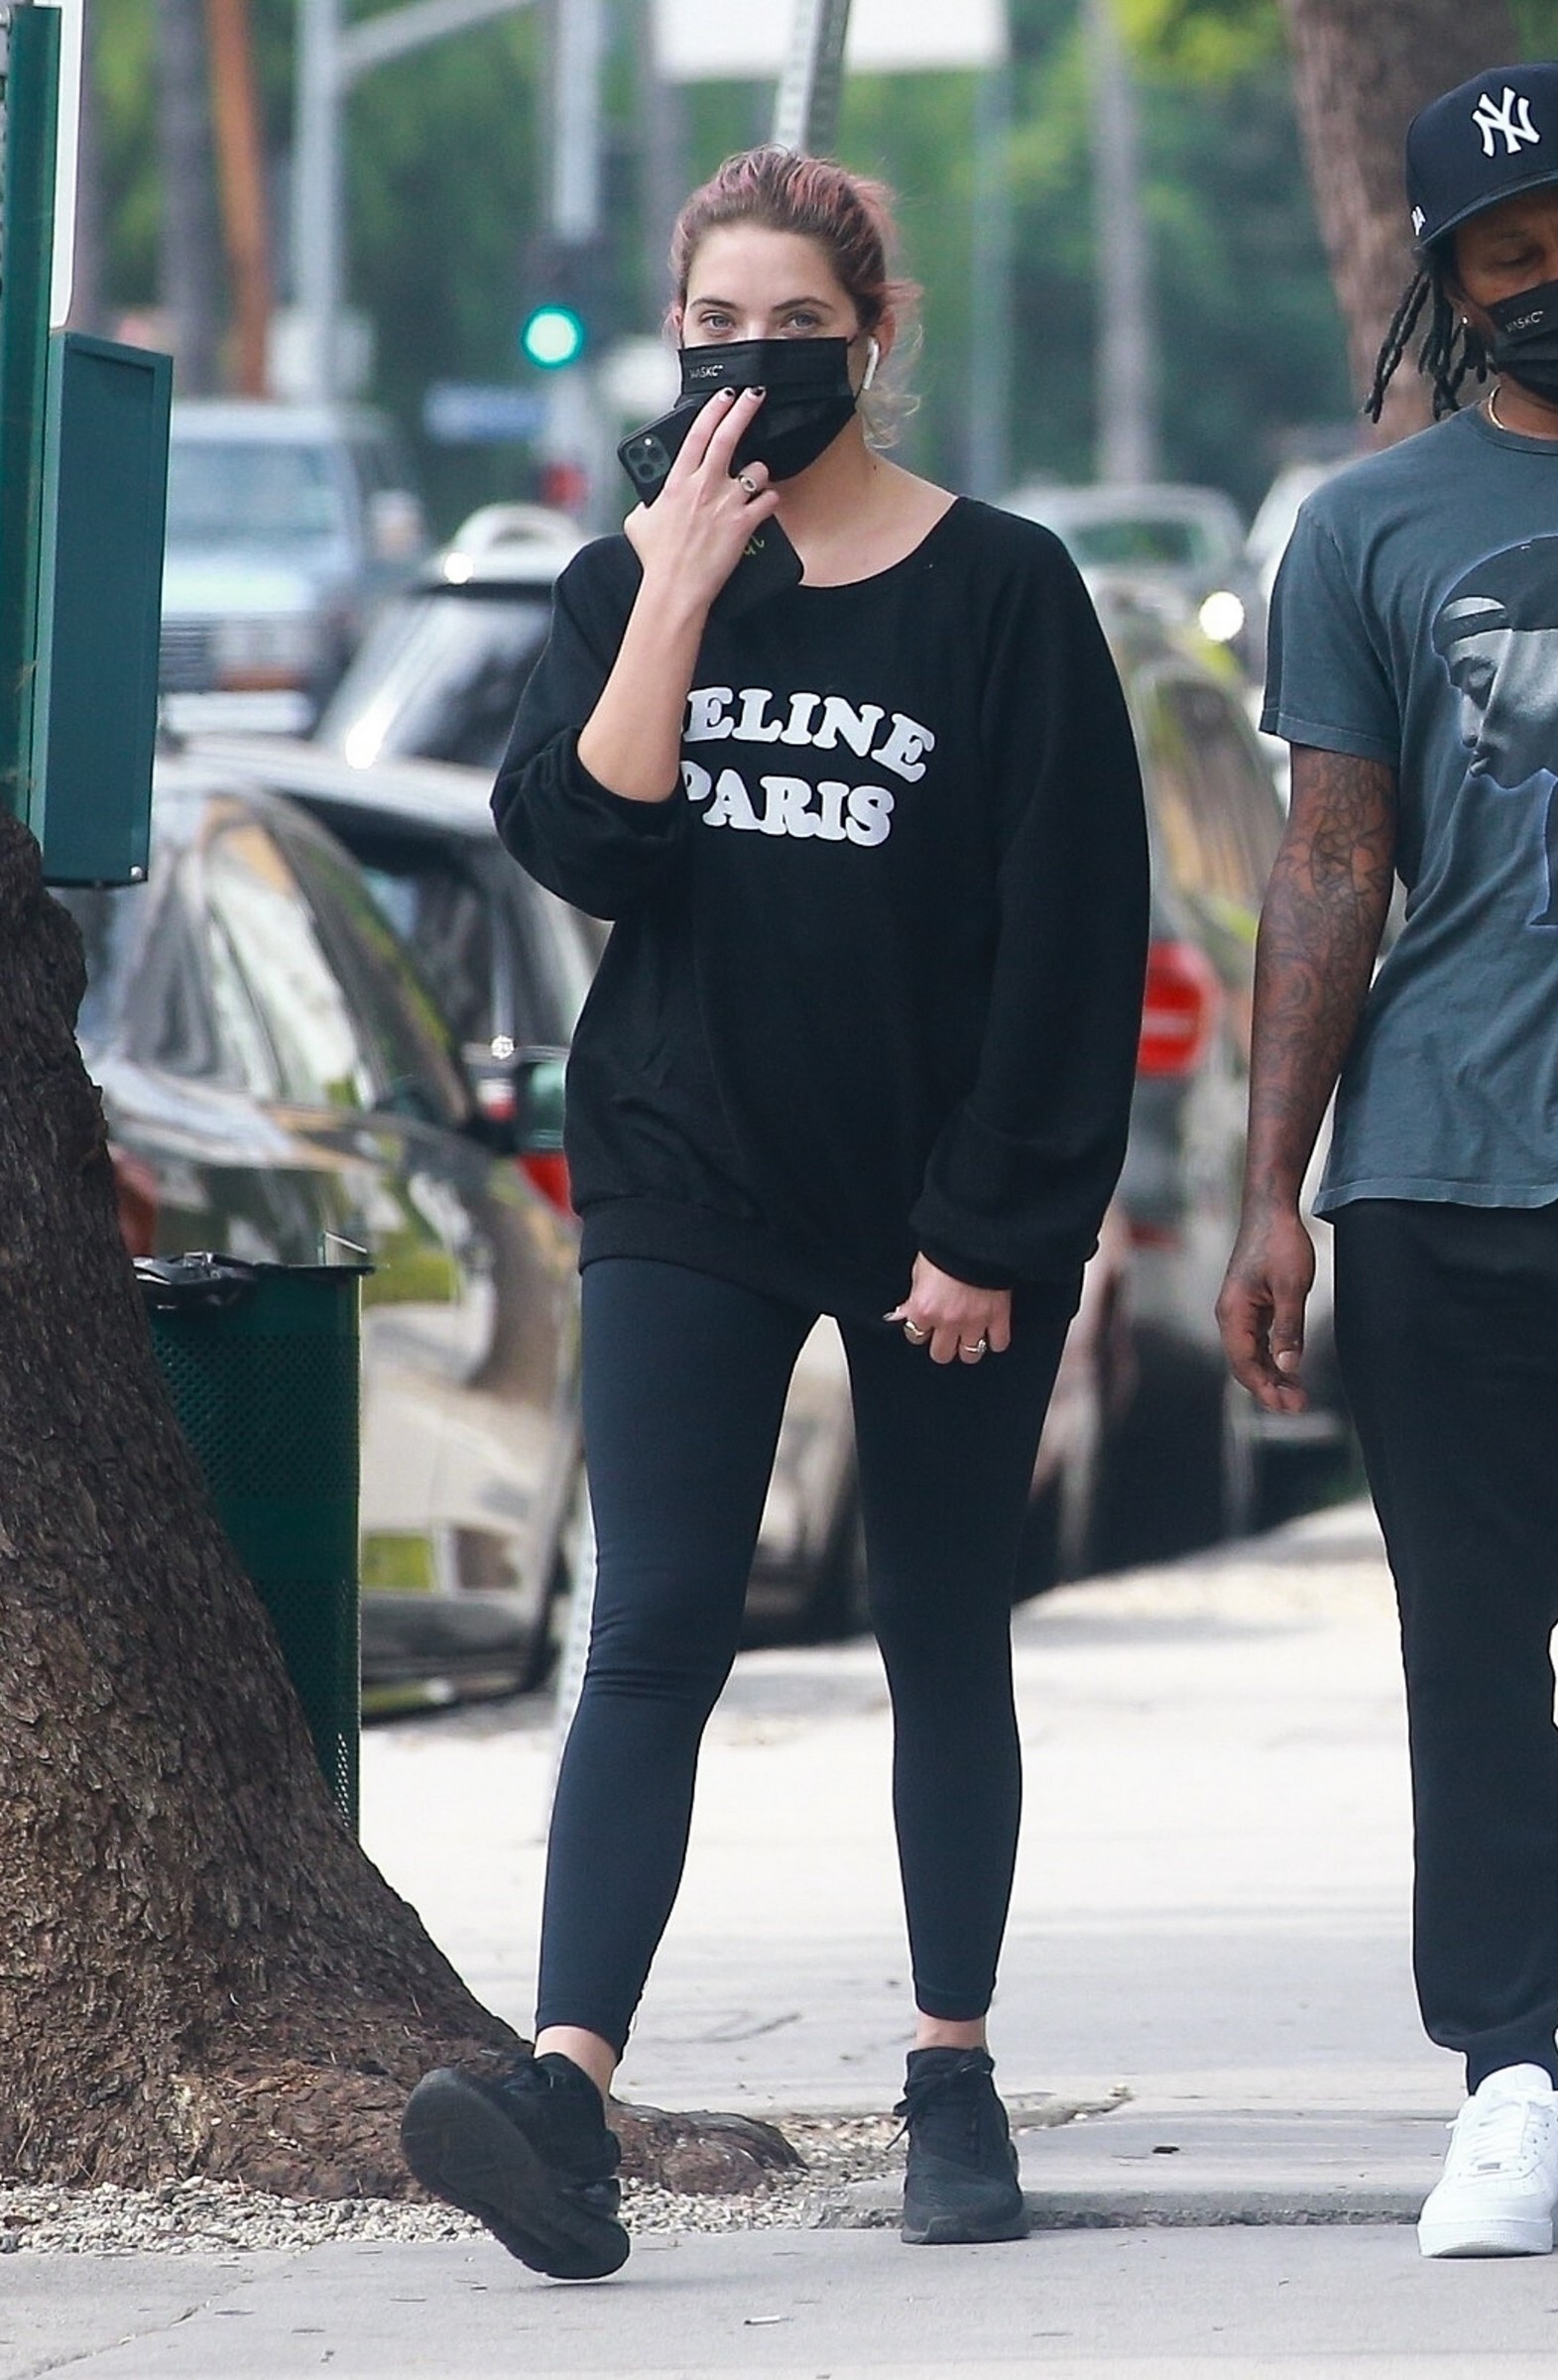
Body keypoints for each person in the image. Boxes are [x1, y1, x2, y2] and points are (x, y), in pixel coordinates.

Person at [400, 146, 1148, 2279]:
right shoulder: (618, 583)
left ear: (873, 335)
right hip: (685, 1171)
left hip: (934, 1199)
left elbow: (1070, 935)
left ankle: (950, 2074)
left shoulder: (1001, 588)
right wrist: (672, 588)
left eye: (795, 329)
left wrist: (992, 1227)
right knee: (649, 1629)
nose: (751, 363)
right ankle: (562, 2091)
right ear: (673, 339)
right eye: (715, 329)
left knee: (939, 1627)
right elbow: (583, 846)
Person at [1218, 59, 1558, 2262]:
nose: (1555, 281)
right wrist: (1269, 1187)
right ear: (1447, 286)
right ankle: (1509, 2075)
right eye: (1510, 256)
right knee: (1470, 1647)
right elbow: (1331, 863)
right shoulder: (1368, 529)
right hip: (1446, 1172)